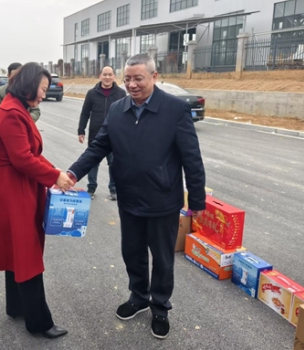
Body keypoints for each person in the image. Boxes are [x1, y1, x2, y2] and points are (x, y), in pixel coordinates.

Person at [67, 54, 206, 340]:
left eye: (138, 78)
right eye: (127, 79)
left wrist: (197, 199)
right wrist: (72, 173)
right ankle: (139, 296)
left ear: (154, 77)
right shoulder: (118, 109)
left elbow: (192, 158)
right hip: (129, 197)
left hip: (162, 200)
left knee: (163, 259)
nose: (132, 84)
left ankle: (160, 307)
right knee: (132, 252)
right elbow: (99, 146)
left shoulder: (175, 109)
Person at [0, 62, 74, 339]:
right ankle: (39, 322)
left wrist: (55, 172)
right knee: (27, 254)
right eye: (43, 89)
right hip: (14, 190)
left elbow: (30, 154)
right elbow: (23, 159)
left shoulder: (16, 107)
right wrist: (54, 177)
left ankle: (17, 306)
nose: (44, 95)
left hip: (16, 185)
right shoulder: (12, 113)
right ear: (29, 84)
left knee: (16, 251)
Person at [77, 65, 126, 200]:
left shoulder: (121, 94)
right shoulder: (92, 93)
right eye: (104, 74)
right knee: (93, 163)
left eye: (110, 74)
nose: (107, 77)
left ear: (114, 77)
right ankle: (91, 188)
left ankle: (113, 189)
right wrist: (81, 131)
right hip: (96, 135)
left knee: (114, 164)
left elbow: (125, 115)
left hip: (114, 136)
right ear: (100, 76)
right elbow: (85, 113)